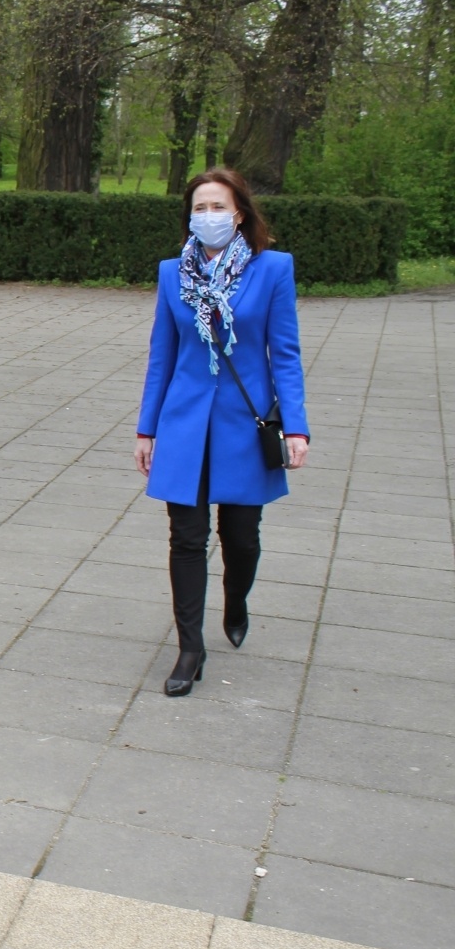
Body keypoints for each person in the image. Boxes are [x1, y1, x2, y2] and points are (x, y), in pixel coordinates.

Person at [135, 167, 310, 698]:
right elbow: (162, 355)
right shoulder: (173, 273)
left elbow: (285, 353)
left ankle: (236, 599)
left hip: (244, 423)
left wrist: (296, 427)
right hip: (184, 422)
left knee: (240, 537)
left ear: (239, 213)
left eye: (218, 206)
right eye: (199, 207)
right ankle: (191, 647)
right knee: (185, 538)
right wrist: (147, 429)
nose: (207, 215)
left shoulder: (272, 269)